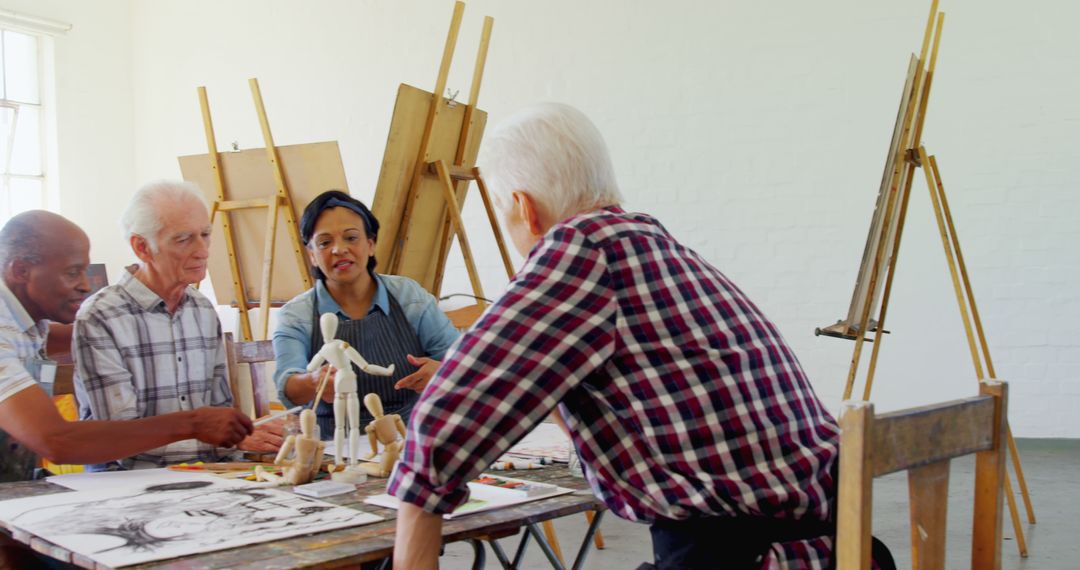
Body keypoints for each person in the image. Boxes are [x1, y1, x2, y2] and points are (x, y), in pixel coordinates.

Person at [388, 104, 841, 569]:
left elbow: (440, 426)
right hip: (829, 548)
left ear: (524, 207)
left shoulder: (580, 252)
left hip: (751, 559)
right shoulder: (655, 246)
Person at [0, 210, 253, 482]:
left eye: (204, 236)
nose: (85, 285)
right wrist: (192, 424)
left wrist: (150, 318)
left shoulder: (27, 324)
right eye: (72, 273)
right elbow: (56, 441)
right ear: (21, 271)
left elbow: (83, 331)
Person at [73, 181, 282, 470]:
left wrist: (249, 439)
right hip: (131, 484)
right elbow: (122, 439)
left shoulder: (201, 309)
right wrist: (232, 439)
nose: (202, 251)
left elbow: (220, 412)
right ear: (142, 247)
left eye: (205, 235)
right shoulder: (101, 317)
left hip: (208, 476)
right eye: (183, 239)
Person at [272, 190, 459, 439]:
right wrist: (312, 382)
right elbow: (287, 386)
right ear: (312, 255)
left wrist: (442, 370)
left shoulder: (408, 297)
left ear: (370, 244)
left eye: (351, 238)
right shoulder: (296, 315)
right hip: (332, 446)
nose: (339, 249)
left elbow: (463, 361)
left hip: (412, 438)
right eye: (325, 243)